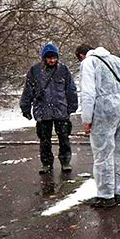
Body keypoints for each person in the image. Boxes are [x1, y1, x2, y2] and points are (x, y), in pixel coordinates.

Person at [76, 44, 120, 208]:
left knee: (103, 153)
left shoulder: (89, 63)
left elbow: (88, 93)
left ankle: (105, 195)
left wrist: (87, 120)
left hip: (104, 108)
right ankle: (119, 192)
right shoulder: (117, 60)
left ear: (82, 55)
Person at [20, 43, 78, 174]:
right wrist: (25, 107)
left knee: (64, 138)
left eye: (54, 57)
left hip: (61, 110)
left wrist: (72, 106)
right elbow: (28, 90)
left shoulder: (63, 70)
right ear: (44, 58)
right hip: (42, 110)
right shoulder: (35, 71)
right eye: (49, 58)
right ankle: (46, 164)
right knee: (44, 140)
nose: (52, 60)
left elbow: (71, 89)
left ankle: (65, 162)